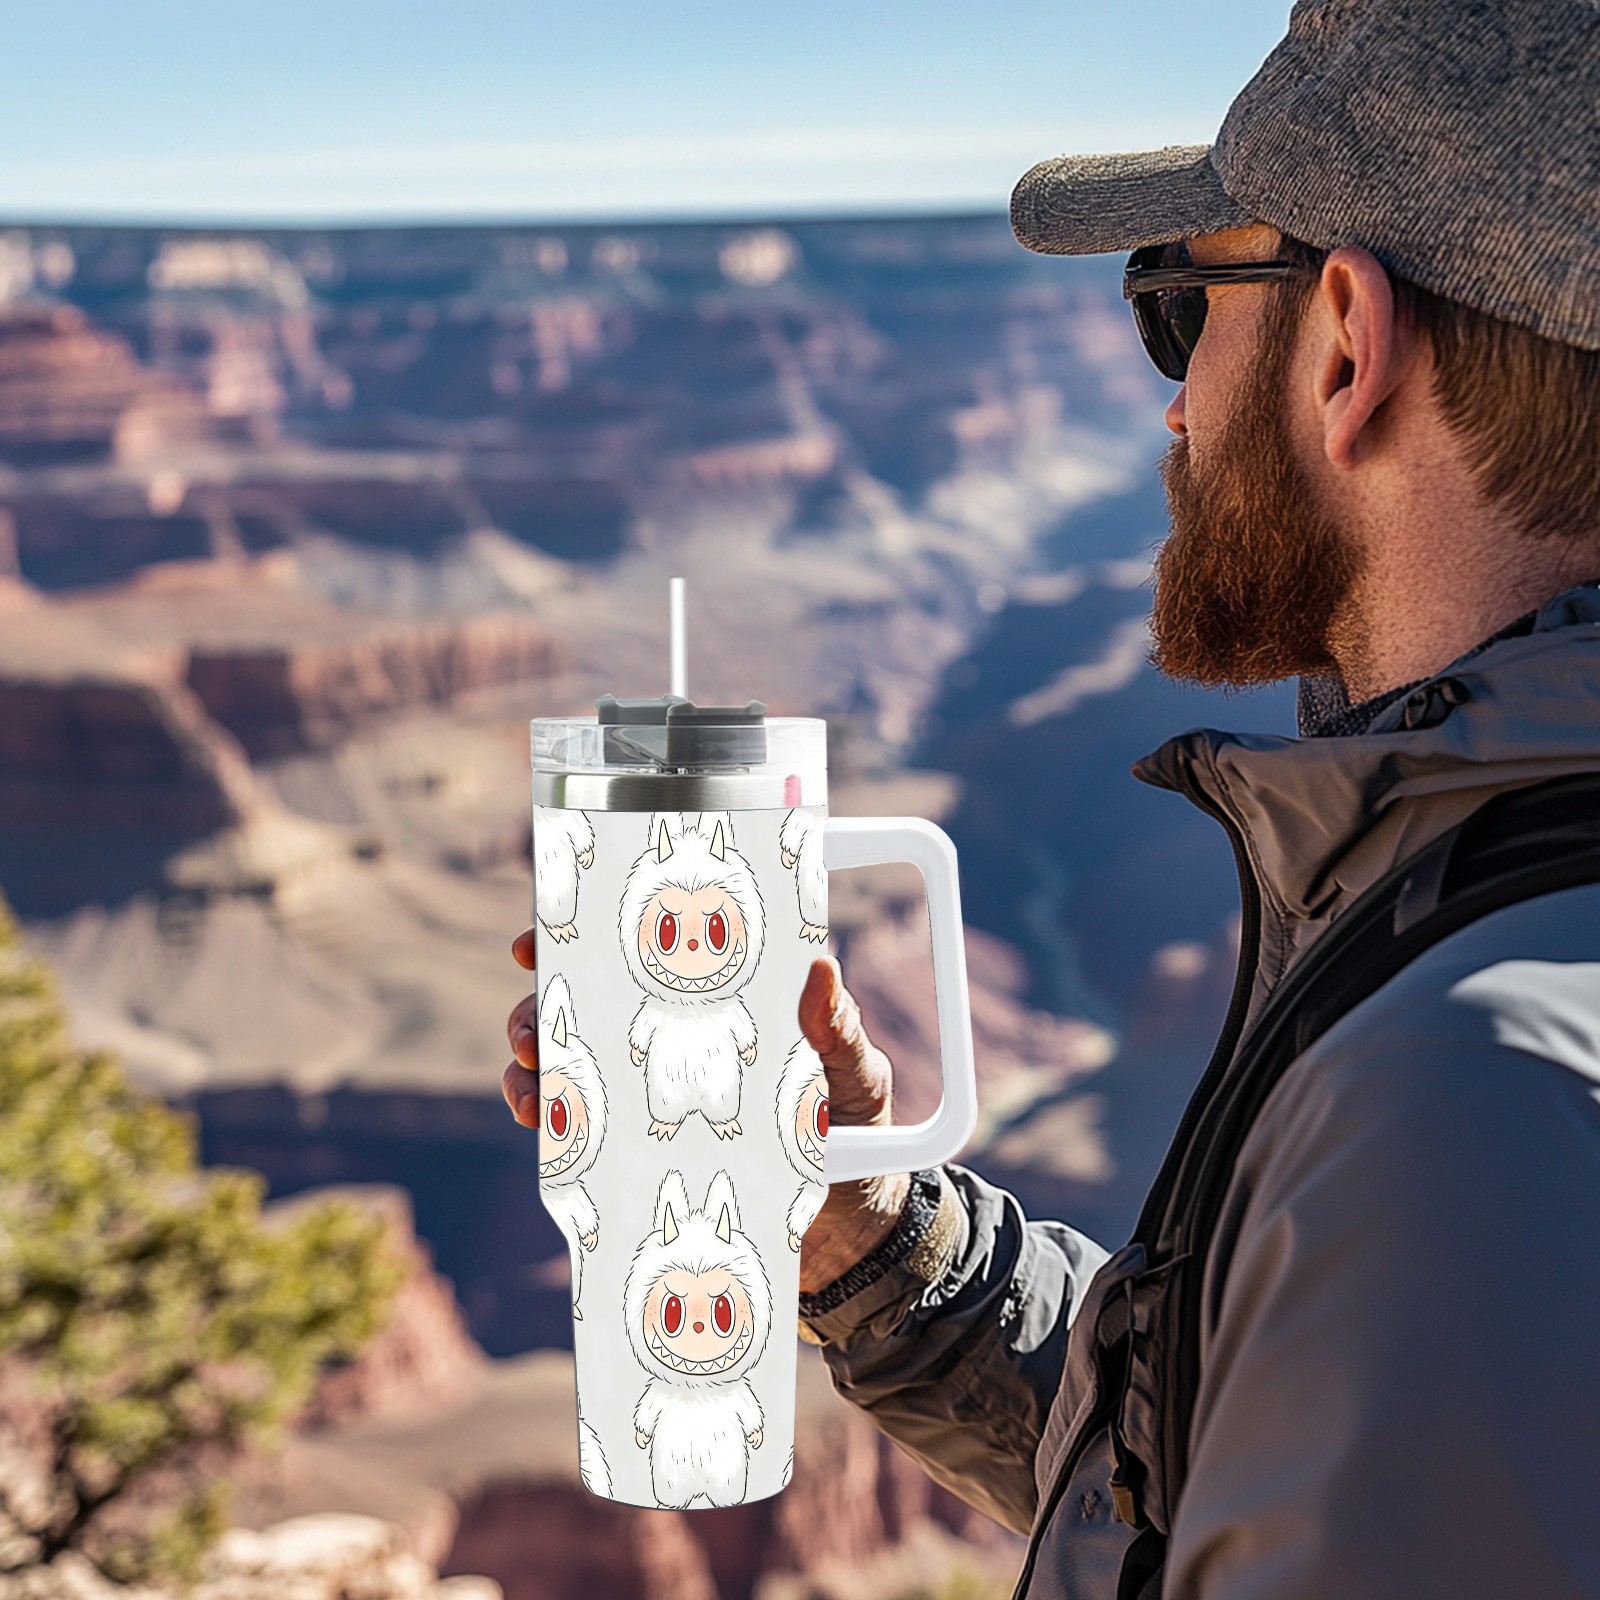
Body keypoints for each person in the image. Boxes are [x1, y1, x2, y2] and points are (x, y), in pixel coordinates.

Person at [505, 0, 1600, 1592]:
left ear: (1346, 344)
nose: (1173, 402)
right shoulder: (1494, 971)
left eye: (1182, 305)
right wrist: (869, 1230)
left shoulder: (1459, 1105)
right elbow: (1244, 1471)